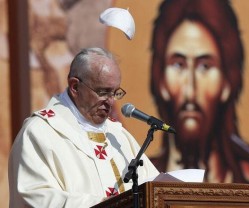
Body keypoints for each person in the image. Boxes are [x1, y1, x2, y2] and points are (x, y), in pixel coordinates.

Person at [150, 0, 249, 195]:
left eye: (205, 66)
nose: (190, 90)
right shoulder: (140, 181)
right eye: (178, 65)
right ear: (161, 80)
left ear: (227, 82)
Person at [8, 47, 159, 207]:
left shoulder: (119, 136)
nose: (111, 101)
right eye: (103, 92)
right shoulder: (39, 132)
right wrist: (102, 205)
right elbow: (34, 197)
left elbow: (154, 189)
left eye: (115, 93)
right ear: (74, 87)